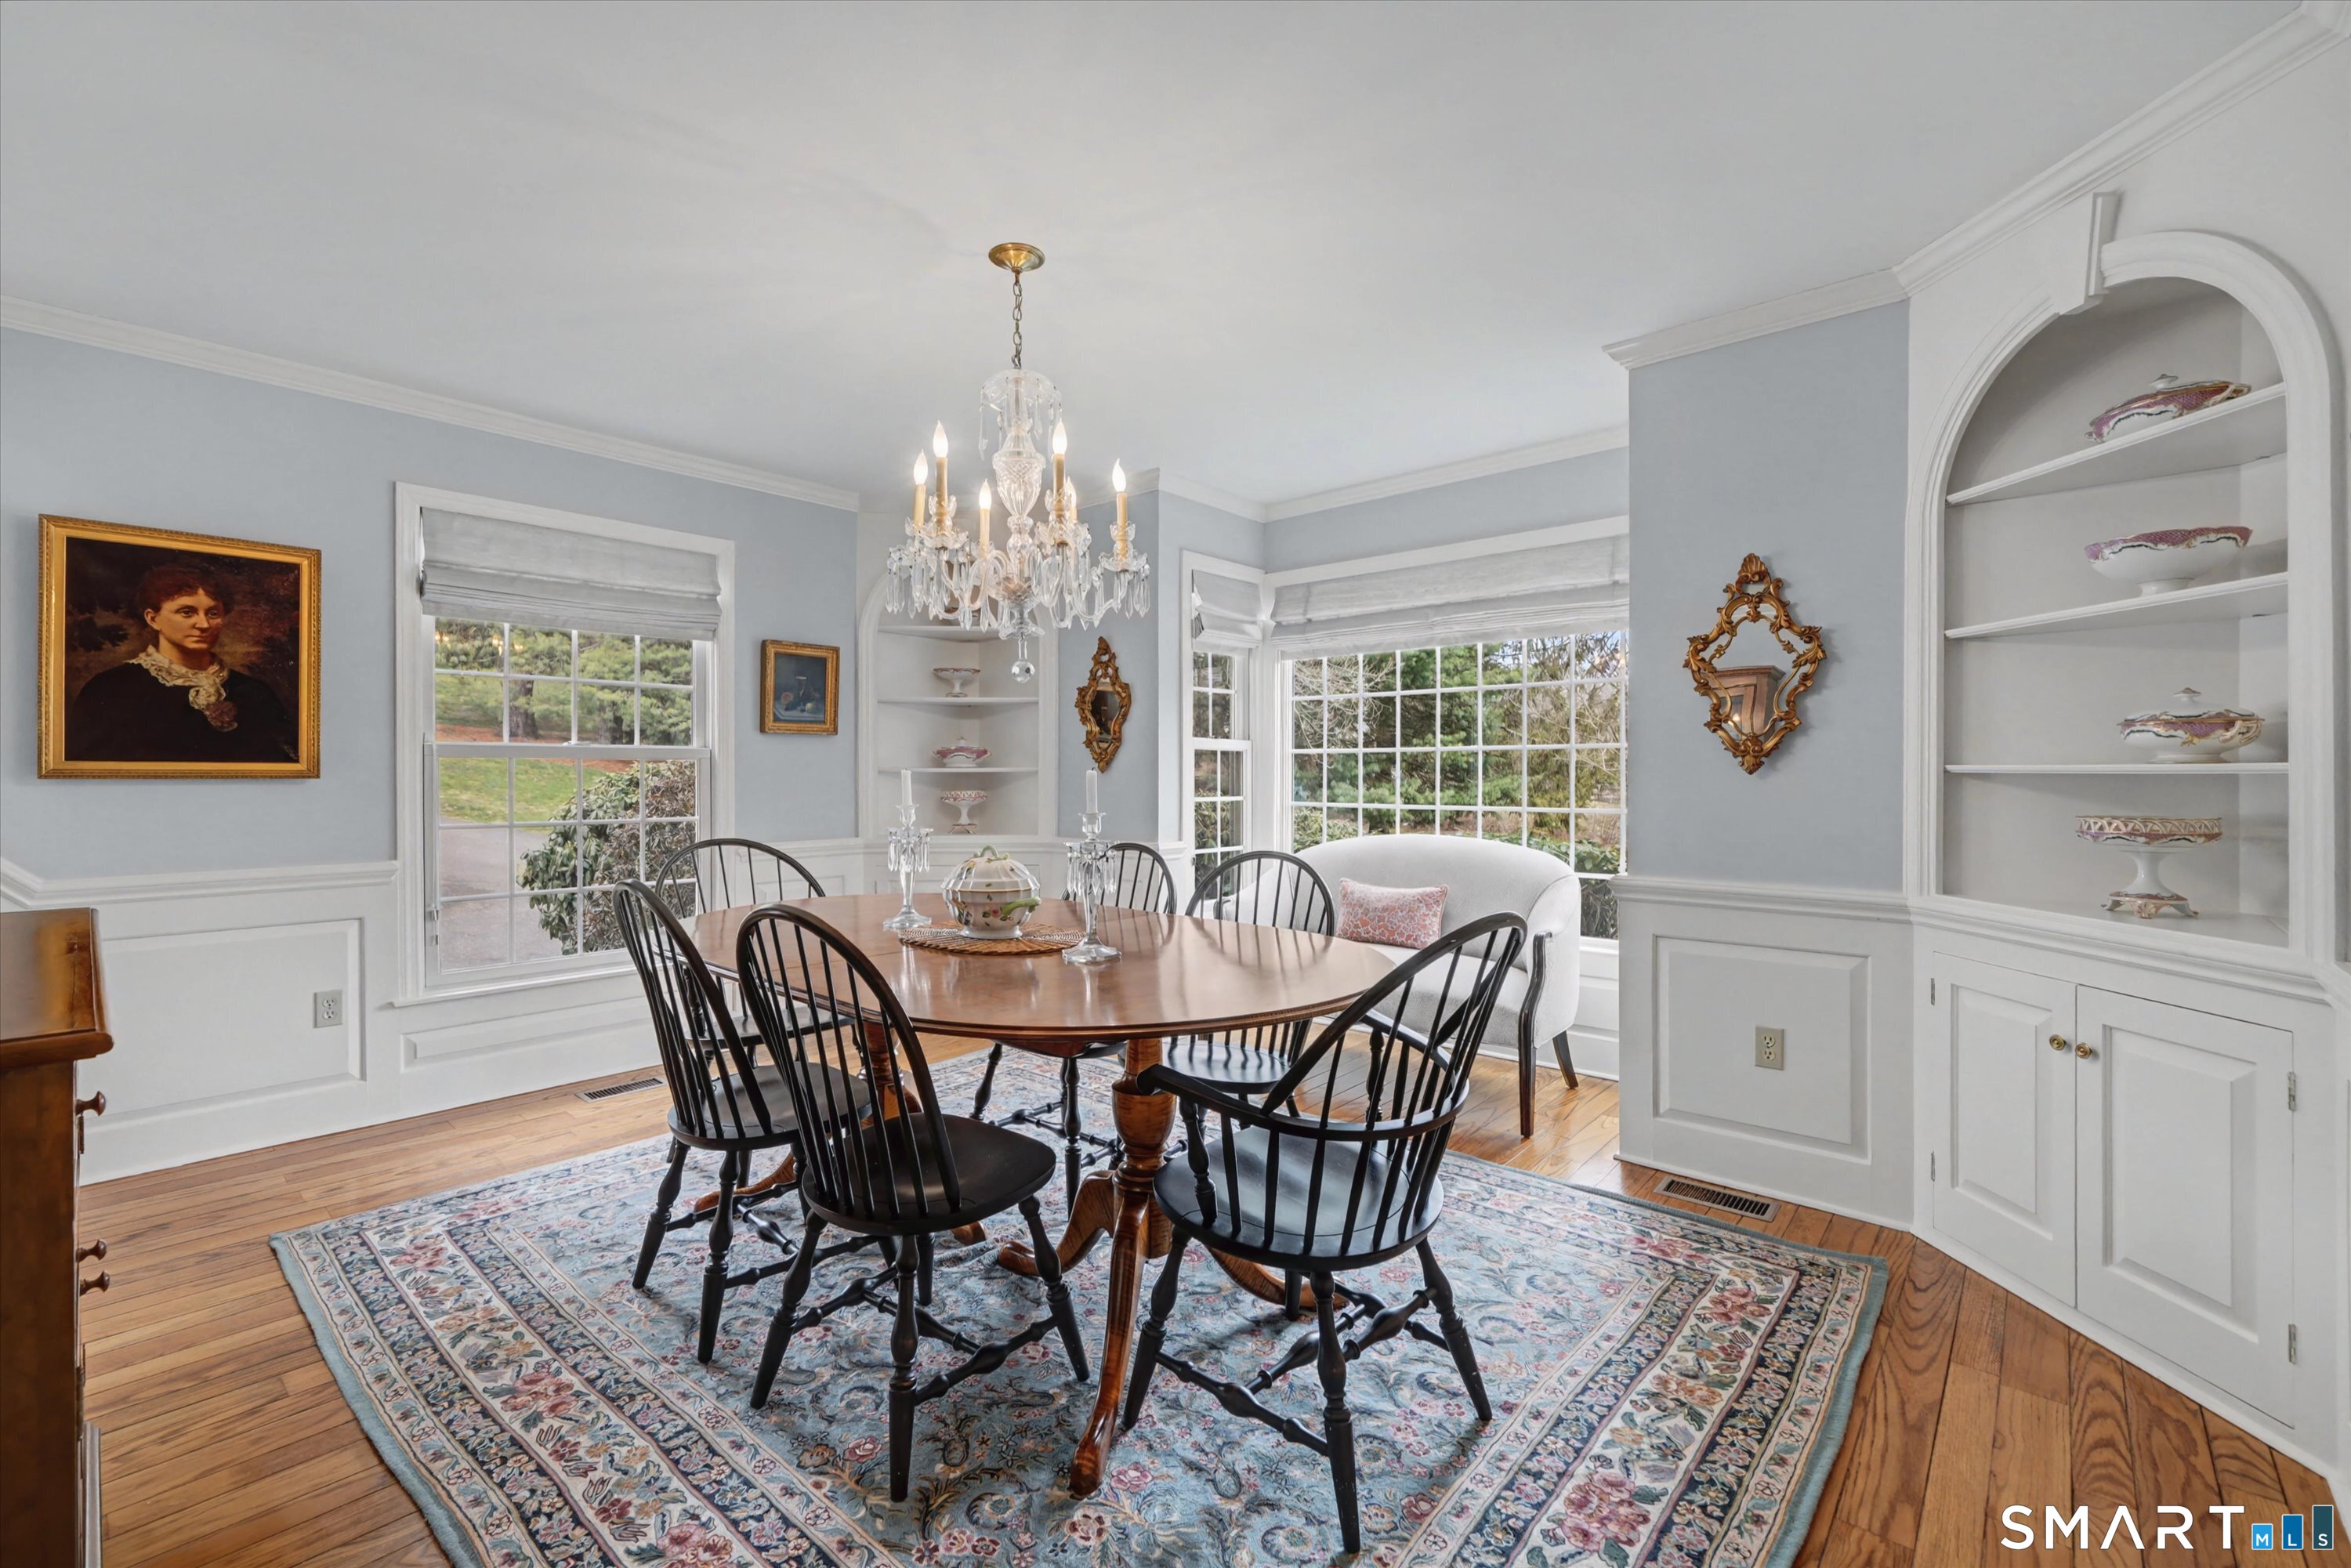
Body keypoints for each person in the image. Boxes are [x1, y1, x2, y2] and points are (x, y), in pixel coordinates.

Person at [67, 561, 299, 763]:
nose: (204, 624)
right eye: (187, 612)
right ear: (153, 618)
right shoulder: (109, 690)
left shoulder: (256, 693)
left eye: (213, 613)